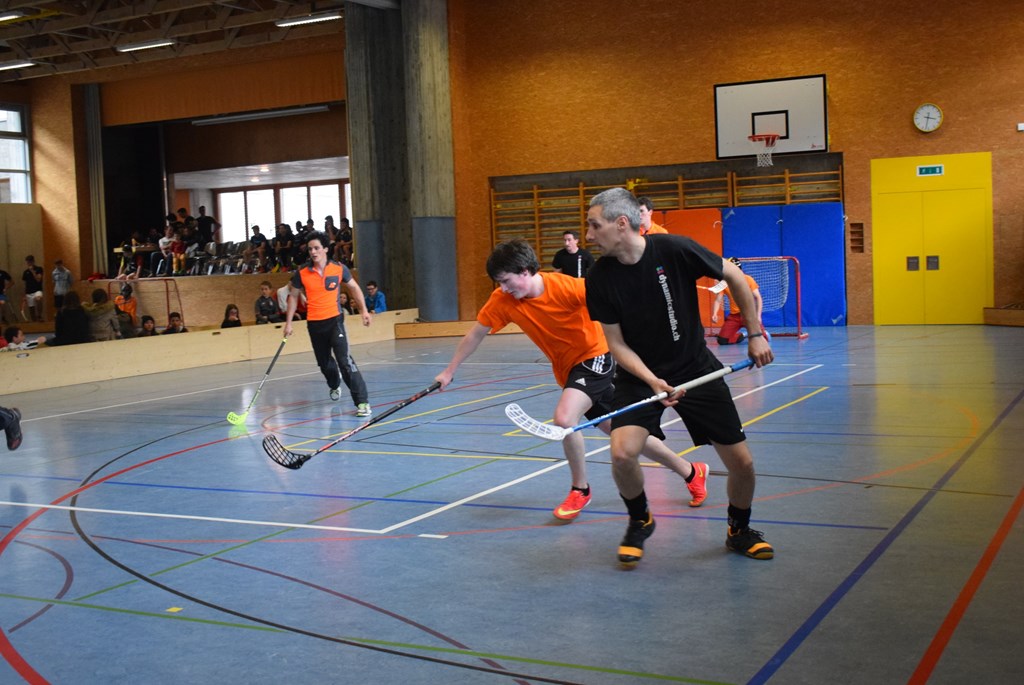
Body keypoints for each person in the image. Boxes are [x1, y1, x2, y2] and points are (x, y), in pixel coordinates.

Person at [435, 239, 710, 521]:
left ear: (525, 271)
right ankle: (691, 471)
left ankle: (580, 489)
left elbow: (615, 303)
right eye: (499, 283)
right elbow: (476, 334)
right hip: (568, 371)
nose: (504, 288)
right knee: (623, 432)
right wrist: (449, 371)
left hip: (595, 356)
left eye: (506, 281)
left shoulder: (567, 287)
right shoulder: (503, 301)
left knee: (565, 419)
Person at [584, 187, 774, 566]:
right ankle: (640, 520)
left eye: (594, 225)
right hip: (640, 377)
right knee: (622, 453)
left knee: (742, 464)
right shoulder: (599, 277)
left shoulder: (674, 249)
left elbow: (734, 276)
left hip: (696, 368)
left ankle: (739, 530)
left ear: (621, 224)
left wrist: (754, 333)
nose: (588, 235)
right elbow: (616, 343)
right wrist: (652, 380)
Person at [283, 231, 373, 417]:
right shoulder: (302, 272)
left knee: (344, 361)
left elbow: (354, 288)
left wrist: (364, 310)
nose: (313, 252)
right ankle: (334, 383)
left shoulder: (339, 268)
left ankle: (362, 402)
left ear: (325, 249)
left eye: (317, 248)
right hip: (315, 324)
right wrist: (288, 323)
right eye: (310, 249)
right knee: (325, 365)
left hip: (335, 321)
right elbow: (293, 296)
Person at [712, 257, 767, 345]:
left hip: (749, 314)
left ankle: (763, 333)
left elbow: (758, 298)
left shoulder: (748, 279)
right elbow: (718, 300)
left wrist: (758, 316)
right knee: (722, 340)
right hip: (734, 317)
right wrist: (714, 314)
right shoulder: (724, 283)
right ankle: (743, 335)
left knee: (763, 340)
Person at [22, 255, 44, 321]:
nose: (29, 263)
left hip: (37, 290)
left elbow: (38, 279)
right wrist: (24, 294)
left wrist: (33, 271)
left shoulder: (39, 269)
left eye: (30, 262)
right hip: (29, 291)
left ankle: (39, 316)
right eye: (28, 262)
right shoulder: (25, 272)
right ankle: (34, 321)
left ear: (33, 261)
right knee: (31, 308)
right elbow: (25, 284)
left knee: (38, 299)